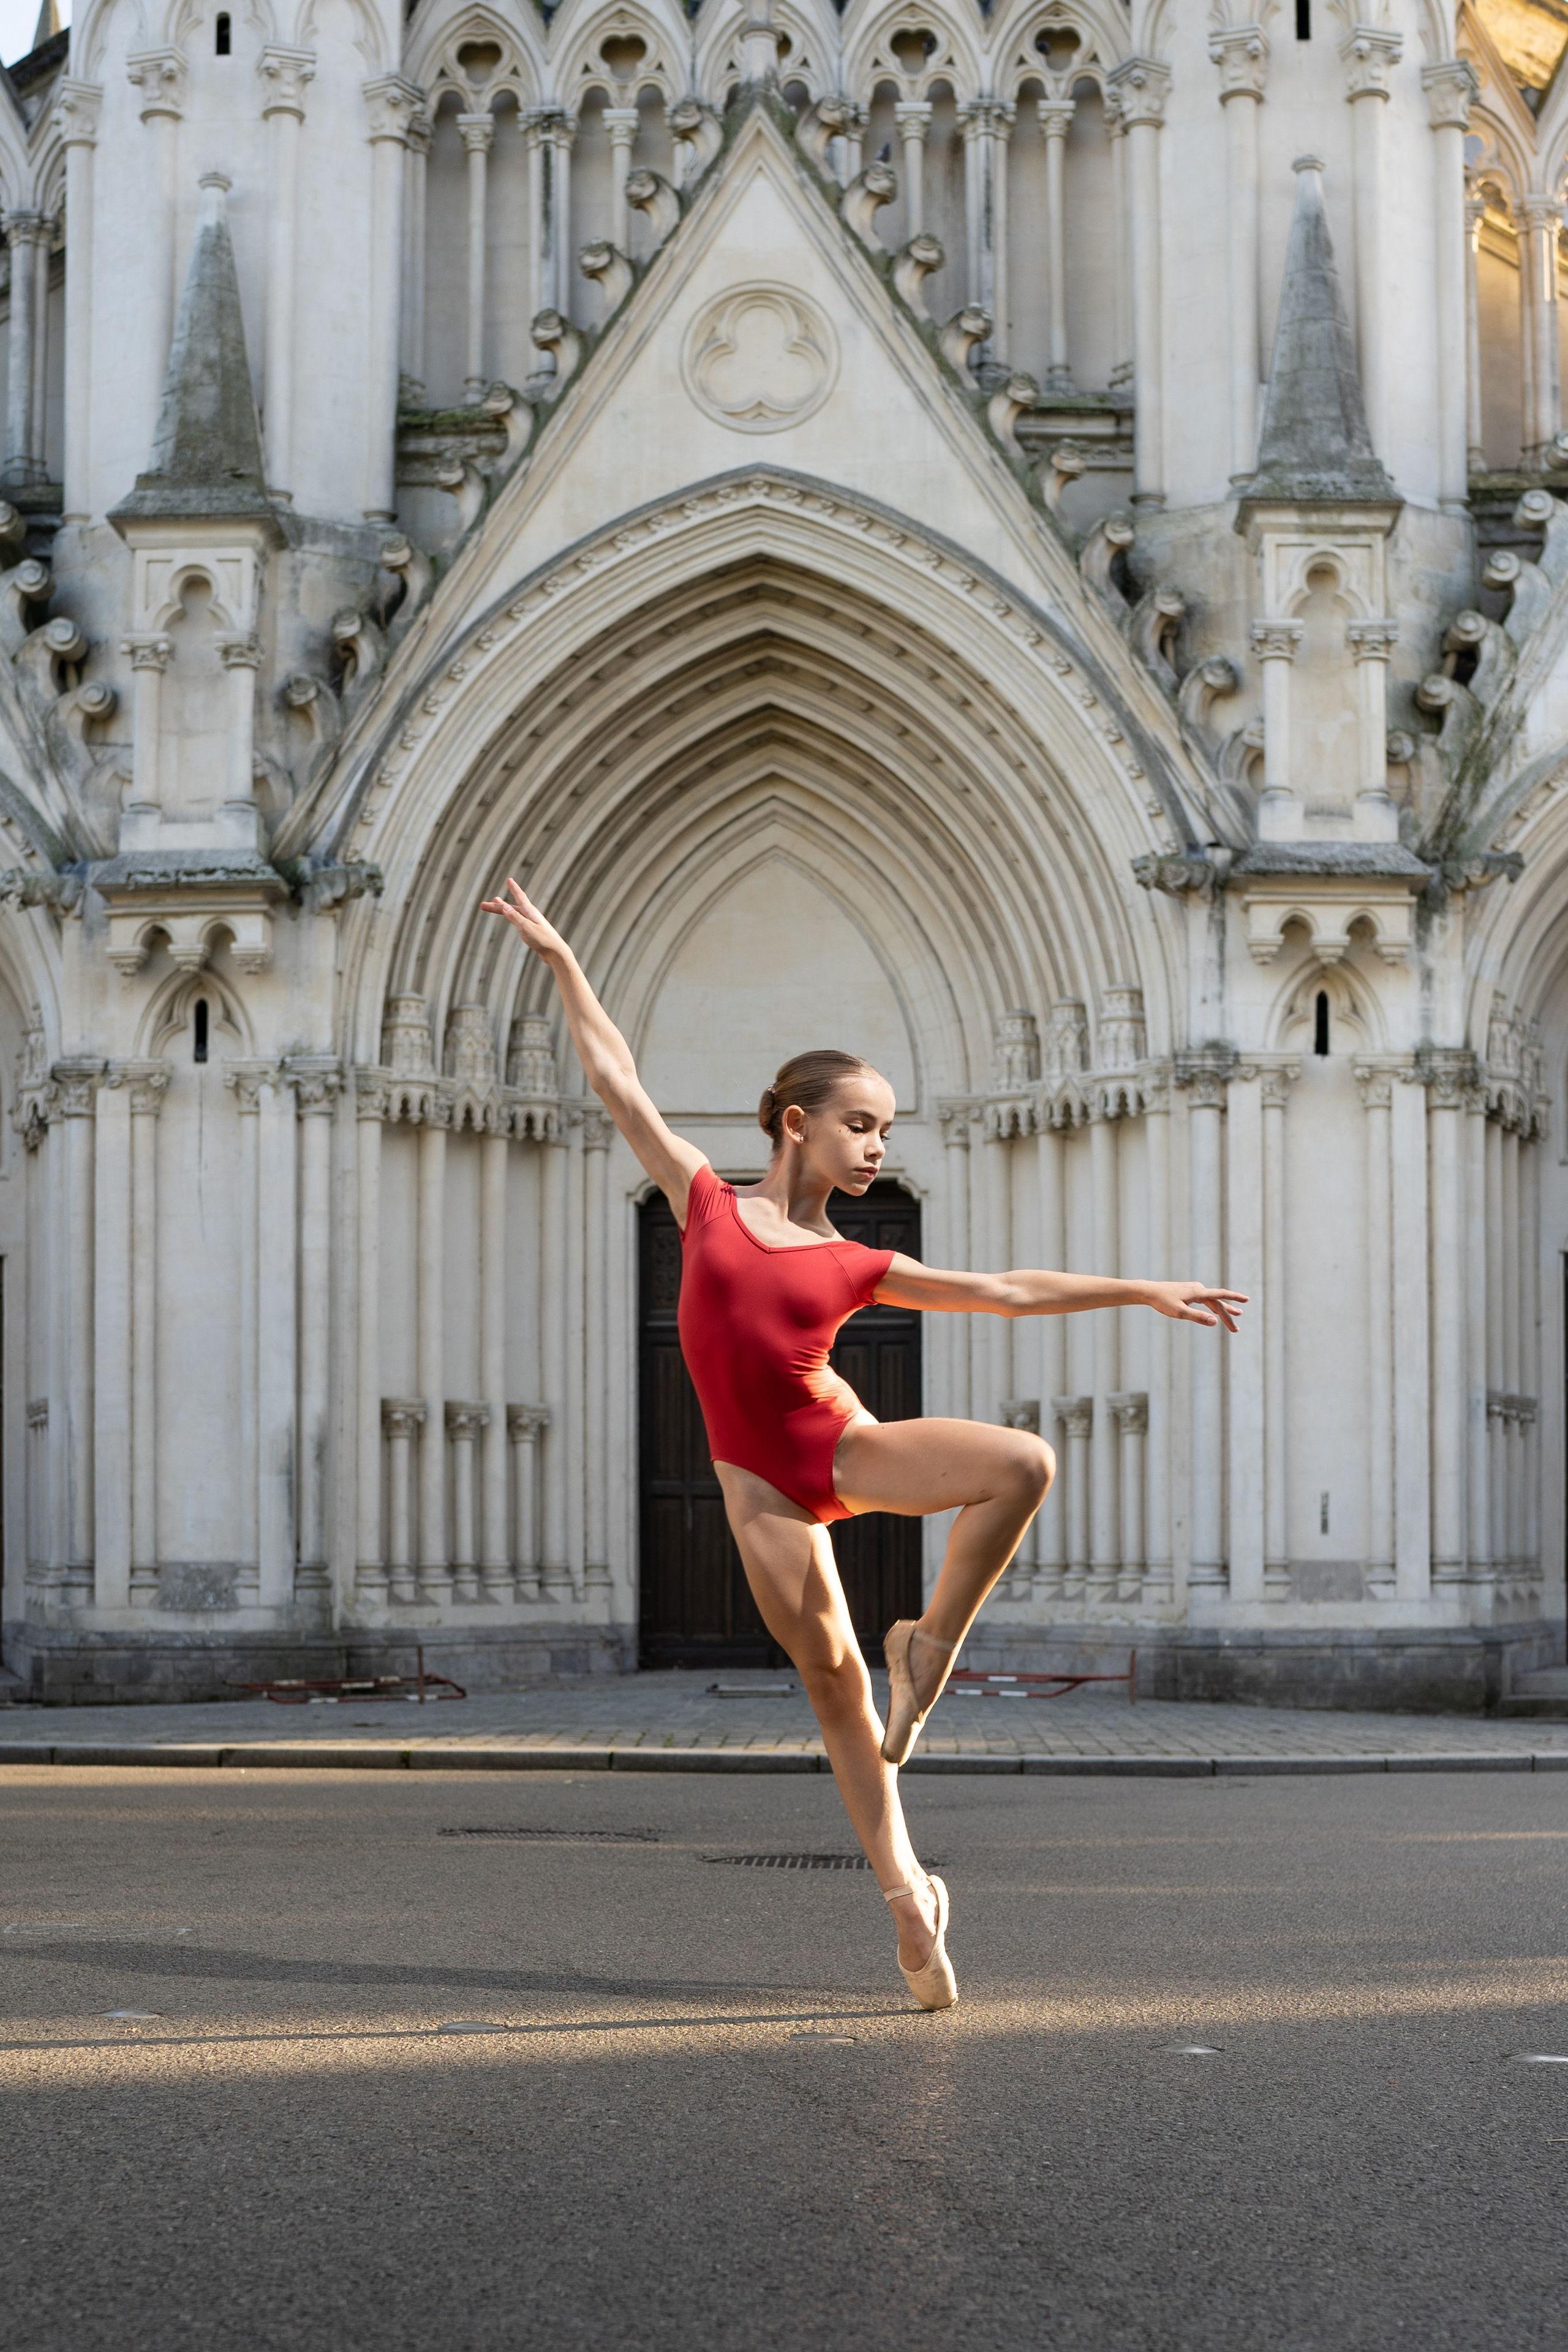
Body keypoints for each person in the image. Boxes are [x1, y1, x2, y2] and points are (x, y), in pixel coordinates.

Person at [481, 877, 1246, 2011]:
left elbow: (1000, 1290)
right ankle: (908, 1902)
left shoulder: (855, 1261)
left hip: (838, 1445)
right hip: (760, 1490)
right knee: (837, 1689)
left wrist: (1143, 1289)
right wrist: (561, 960)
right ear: (796, 1121)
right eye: (861, 1123)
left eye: (887, 1129)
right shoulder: (699, 1200)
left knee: (1024, 1462)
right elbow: (615, 1077)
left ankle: (931, 1643)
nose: (878, 1146)